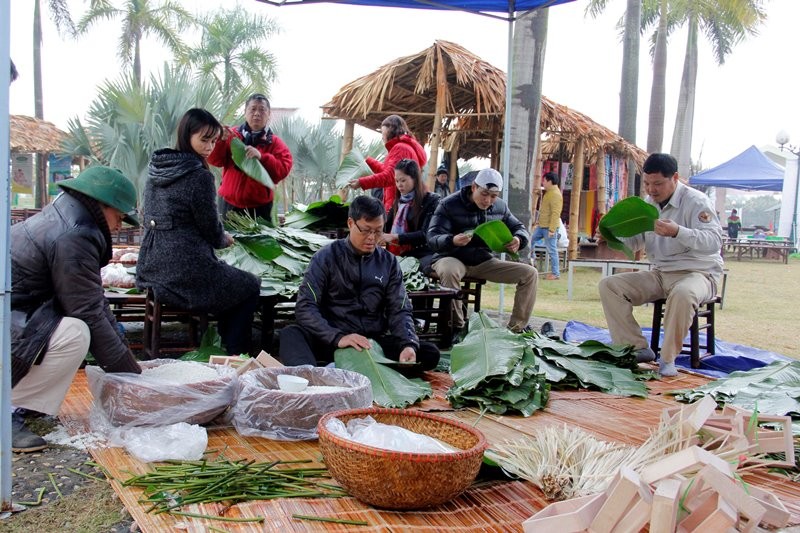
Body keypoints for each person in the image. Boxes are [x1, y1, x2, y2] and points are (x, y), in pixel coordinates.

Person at [10, 166, 142, 452]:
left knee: (78, 327)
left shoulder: (65, 215)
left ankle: (21, 402)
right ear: (102, 204)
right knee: (76, 333)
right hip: (10, 319)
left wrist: (126, 358)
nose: (119, 226)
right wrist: (132, 379)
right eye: (119, 216)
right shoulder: (75, 234)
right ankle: (7, 411)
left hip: (16, 312)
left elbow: (93, 300)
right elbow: (88, 311)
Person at [137, 108, 260, 356]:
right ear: (187, 135)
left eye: (214, 140)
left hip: (151, 266)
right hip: (184, 272)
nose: (210, 146)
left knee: (231, 283)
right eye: (204, 139)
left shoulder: (157, 169)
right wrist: (223, 239)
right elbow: (210, 228)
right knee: (249, 284)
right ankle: (236, 354)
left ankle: (224, 347)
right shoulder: (198, 176)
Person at [598, 153, 723, 378]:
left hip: (698, 273)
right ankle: (635, 348)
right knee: (610, 285)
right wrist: (611, 237)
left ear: (675, 177)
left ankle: (667, 359)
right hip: (660, 273)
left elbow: (714, 242)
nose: (651, 190)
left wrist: (678, 232)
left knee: (684, 293)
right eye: (647, 183)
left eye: (658, 184)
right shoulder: (648, 204)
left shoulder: (697, 202)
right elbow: (636, 242)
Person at [279, 195, 440, 370]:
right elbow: (305, 306)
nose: (372, 237)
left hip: (370, 346)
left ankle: (340, 370)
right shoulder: (325, 257)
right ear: (350, 223)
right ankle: (316, 375)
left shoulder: (388, 262)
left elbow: (399, 309)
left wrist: (408, 344)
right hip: (332, 341)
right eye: (365, 230)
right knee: (291, 335)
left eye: (378, 231)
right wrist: (338, 338)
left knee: (428, 352)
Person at [428, 168, 539, 338]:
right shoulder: (448, 204)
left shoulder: (500, 207)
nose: (488, 200)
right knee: (450, 270)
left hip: (483, 261)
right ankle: (458, 328)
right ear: (473, 187)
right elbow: (432, 237)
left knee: (530, 274)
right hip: (451, 257)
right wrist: (451, 240)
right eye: (484, 194)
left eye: (493, 196)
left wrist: (518, 239)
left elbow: (520, 228)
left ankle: (516, 329)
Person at [208, 93, 293, 220]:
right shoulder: (231, 135)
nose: (257, 113)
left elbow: (282, 170)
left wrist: (262, 157)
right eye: (253, 109)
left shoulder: (275, 143)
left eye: (262, 110)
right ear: (245, 112)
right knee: (228, 239)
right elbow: (215, 160)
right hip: (228, 203)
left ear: (269, 114)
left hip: (261, 208)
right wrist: (219, 141)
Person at [347, 115, 427, 213]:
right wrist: (368, 161)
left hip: (397, 206)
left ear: (391, 131)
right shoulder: (403, 147)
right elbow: (389, 170)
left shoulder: (400, 148)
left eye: (383, 132)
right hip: (400, 204)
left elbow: (390, 176)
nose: (382, 136)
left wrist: (362, 182)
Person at [381, 159, 441, 274]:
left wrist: (395, 237)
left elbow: (426, 234)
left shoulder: (431, 201)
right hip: (400, 254)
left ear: (415, 178)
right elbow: (386, 226)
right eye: (397, 181)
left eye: (403, 180)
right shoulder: (399, 202)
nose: (399, 185)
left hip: (423, 253)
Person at [531, 172, 564, 280]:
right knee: (530, 240)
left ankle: (556, 274)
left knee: (552, 250)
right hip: (541, 226)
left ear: (549, 181)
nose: (543, 183)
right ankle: (531, 260)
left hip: (549, 228)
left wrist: (552, 229)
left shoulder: (555, 194)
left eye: (544, 180)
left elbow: (556, 213)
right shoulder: (549, 192)